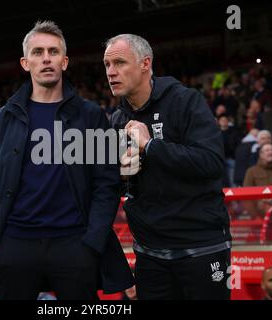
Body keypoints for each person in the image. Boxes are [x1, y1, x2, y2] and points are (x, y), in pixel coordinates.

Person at [0, 21, 133, 300]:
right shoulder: (3, 118)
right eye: (37, 52)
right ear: (26, 63)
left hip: (74, 245)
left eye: (53, 51)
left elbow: (106, 184)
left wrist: (92, 244)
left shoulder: (91, 115)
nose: (46, 58)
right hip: (14, 245)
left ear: (65, 61)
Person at [104, 34, 232, 299]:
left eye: (119, 63)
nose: (111, 72)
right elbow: (112, 185)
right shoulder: (117, 119)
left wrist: (150, 146)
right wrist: (121, 174)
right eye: (107, 65)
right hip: (149, 253)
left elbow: (211, 162)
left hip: (201, 246)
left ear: (145, 64)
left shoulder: (186, 101)